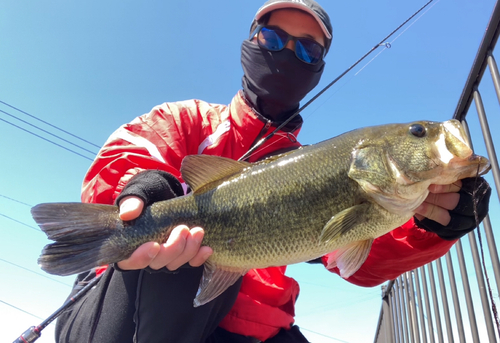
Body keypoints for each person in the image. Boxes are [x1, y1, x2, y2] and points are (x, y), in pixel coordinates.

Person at [55, 0, 491, 342]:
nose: (287, 52)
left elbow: (353, 261)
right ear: (250, 44)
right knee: (174, 247)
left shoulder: (320, 169)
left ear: (318, 66)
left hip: (262, 330)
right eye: (272, 37)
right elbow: (127, 156)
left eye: (307, 48)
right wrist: (141, 189)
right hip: (133, 314)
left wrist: (434, 227)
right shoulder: (186, 120)